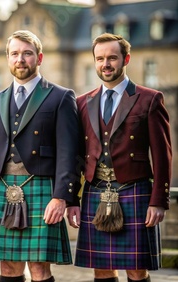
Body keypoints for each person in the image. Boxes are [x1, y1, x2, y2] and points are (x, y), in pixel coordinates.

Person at [0, 30, 80, 282]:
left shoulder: (60, 96)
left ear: (39, 57)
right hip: (1, 188)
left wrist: (61, 197)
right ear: (8, 59)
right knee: (8, 268)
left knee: (39, 268)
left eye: (27, 53)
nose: (20, 59)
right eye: (14, 54)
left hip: (42, 189)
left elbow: (70, 152)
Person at [66, 33, 172, 282]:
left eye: (112, 57)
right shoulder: (82, 102)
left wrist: (159, 200)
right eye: (100, 58)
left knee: (136, 269)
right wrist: (72, 198)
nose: (106, 64)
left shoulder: (149, 99)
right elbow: (76, 156)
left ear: (126, 59)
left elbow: (162, 154)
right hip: (95, 191)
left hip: (134, 190)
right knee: (101, 269)